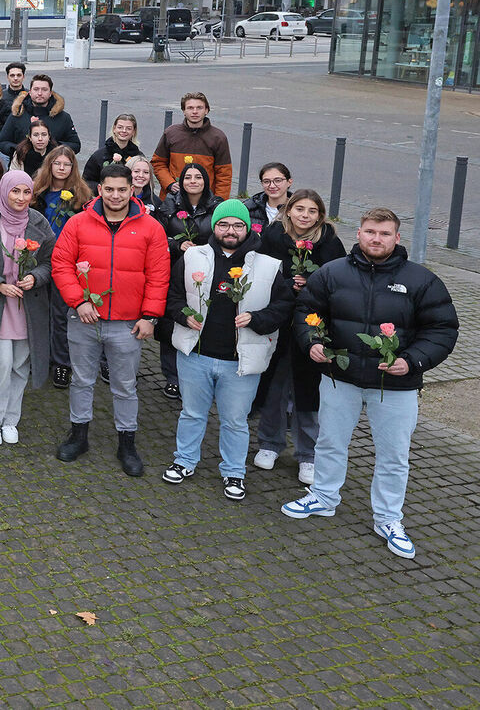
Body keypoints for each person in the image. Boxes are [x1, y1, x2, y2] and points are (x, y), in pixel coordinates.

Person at [281, 207, 458, 559]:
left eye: (384, 233)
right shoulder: (332, 273)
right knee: (330, 443)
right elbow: (305, 312)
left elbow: (442, 329)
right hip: (339, 378)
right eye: (370, 232)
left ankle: (389, 518)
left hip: (395, 386)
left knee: (394, 456)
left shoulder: (421, 280)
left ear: (396, 237)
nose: (376, 239)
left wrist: (412, 361)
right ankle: (325, 497)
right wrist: (312, 342)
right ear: (358, 233)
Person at [161, 200, 293, 501]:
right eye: (223, 224)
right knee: (192, 413)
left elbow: (283, 307)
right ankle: (184, 461)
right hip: (195, 354)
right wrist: (184, 315)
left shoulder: (268, 266)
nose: (230, 230)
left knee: (235, 420)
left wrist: (257, 320)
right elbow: (172, 294)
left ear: (247, 228)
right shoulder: (193, 256)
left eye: (237, 225)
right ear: (214, 227)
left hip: (240, 361)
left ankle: (234, 472)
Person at [50, 164, 170, 476]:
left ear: (132, 190)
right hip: (84, 319)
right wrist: (79, 301)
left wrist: (150, 317)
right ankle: (79, 436)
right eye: (109, 189)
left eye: (122, 189)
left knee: (125, 385)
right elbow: (61, 264)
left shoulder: (151, 228)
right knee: (81, 379)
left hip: (128, 324)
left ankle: (126, 443)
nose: (115, 195)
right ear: (99, 189)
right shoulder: (78, 224)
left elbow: (159, 276)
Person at [254, 189, 345, 484]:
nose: (305, 216)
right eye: (300, 209)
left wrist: (311, 283)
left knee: (308, 392)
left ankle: (308, 454)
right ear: (288, 210)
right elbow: (259, 274)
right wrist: (285, 283)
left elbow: (339, 282)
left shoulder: (329, 242)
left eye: (312, 211)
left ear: (320, 215)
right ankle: (270, 443)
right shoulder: (273, 236)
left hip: (313, 324)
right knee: (274, 386)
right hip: (279, 322)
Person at [0, 170, 55, 446]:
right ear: (4, 191)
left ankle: (10, 419)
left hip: (28, 308)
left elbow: (50, 262)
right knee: (1, 364)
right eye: (15, 191)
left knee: (20, 365)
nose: (20, 198)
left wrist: (36, 277)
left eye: (26, 192)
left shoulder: (40, 223)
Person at [34, 145, 92, 388]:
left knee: (60, 314)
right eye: (57, 163)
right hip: (39, 259)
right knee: (38, 310)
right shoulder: (39, 192)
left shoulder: (80, 196)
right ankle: (40, 356)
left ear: (72, 168)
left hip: (66, 262)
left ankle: (62, 362)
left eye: (66, 164)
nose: (61, 168)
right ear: (50, 165)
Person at [158, 160, 217, 397]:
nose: (193, 181)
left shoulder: (215, 206)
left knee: (201, 319)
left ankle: (199, 374)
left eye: (198, 177)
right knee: (172, 319)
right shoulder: (169, 204)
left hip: (205, 271)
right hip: (174, 269)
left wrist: (202, 249)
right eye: (188, 177)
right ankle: (172, 375)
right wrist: (177, 244)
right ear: (181, 182)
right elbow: (158, 236)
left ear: (206, 181)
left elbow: (223, 234)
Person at [151, 91, 233, 199]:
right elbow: (158, 163)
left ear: (206, 110)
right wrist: (169, 184)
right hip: (173, 199)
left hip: (206, 201)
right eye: (190, 108)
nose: (195, 112)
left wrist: (219, 202)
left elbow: (224, 174)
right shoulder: (171, 133)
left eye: (199, 108)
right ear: (184, 111)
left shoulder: (218, 137)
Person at [0, 74, 81, 157]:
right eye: (36, 89)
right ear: (30, 92)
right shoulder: (17, 114)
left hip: (52, 166)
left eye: (44, 89)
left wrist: (53, 148)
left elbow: (75, 144)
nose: (40, 93)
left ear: (50, 93)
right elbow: (2, 141)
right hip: (23, 165)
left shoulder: (63, 117)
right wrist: (19, 150)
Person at [82, 113, 144, 186]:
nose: (124, 131)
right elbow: (86, 181)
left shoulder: (138, 156)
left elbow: (145, 181)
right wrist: (104, 191)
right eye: (120, 127)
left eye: (128, 128)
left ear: (133, 132)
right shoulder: (99, 156)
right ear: (114, 129)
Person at [245, 162, 292, 228]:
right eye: (266, 181)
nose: (272, 186)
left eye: (278, 180)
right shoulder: (249, 208)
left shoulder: (299, 209)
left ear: (289, 182)